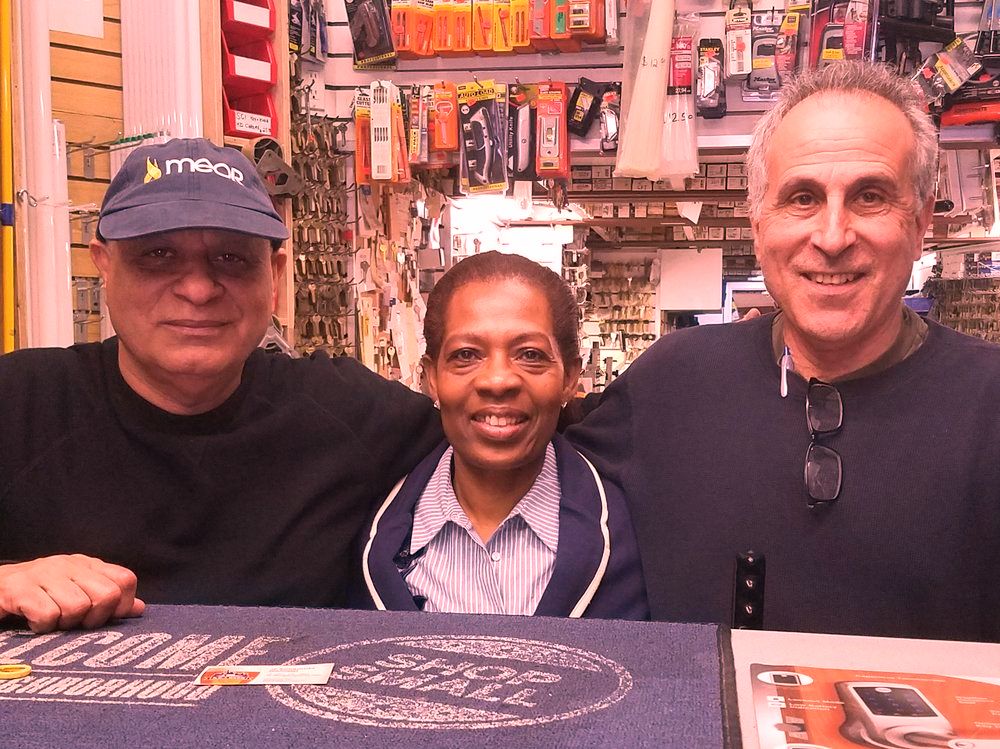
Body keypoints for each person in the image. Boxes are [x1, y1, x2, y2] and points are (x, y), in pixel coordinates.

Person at [569, 62, 1000, 642]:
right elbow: (514, 465)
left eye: (870, 196)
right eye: (802, 198)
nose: (832, 237)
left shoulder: (989, 404)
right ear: (758, 224)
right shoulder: (669, 386)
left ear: (921, 222)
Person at [0, 138, 442, 633]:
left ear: (274, 274)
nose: (197, 289)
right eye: (158, 255)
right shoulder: (18, 403)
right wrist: (6, 582)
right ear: (103, 264)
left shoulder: (352, 413)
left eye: (232, 258)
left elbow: (504, 443)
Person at [357, 252, 648, 619]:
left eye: (530, 355)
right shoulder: (370, 537)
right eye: (466, 354)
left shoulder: (638, 537)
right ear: (432, 378)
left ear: (569, 378)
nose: (498, 380)